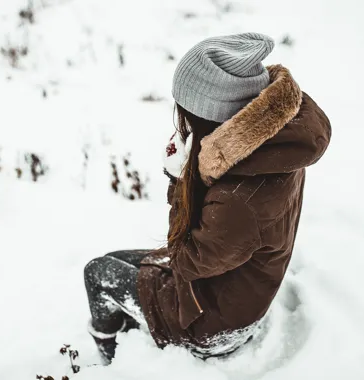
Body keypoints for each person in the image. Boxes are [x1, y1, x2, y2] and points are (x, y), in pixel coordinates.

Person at [83, 32, 331, 364]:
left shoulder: (239, 199)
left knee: (97, 272)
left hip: (213, 323)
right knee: (115, 259)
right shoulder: (273, 148)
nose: (178, 118)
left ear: (209, 117)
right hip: (229, 286)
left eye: (183, 109)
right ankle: (133, 325)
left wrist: (178, 178)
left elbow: (184, 261)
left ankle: (110, 362)